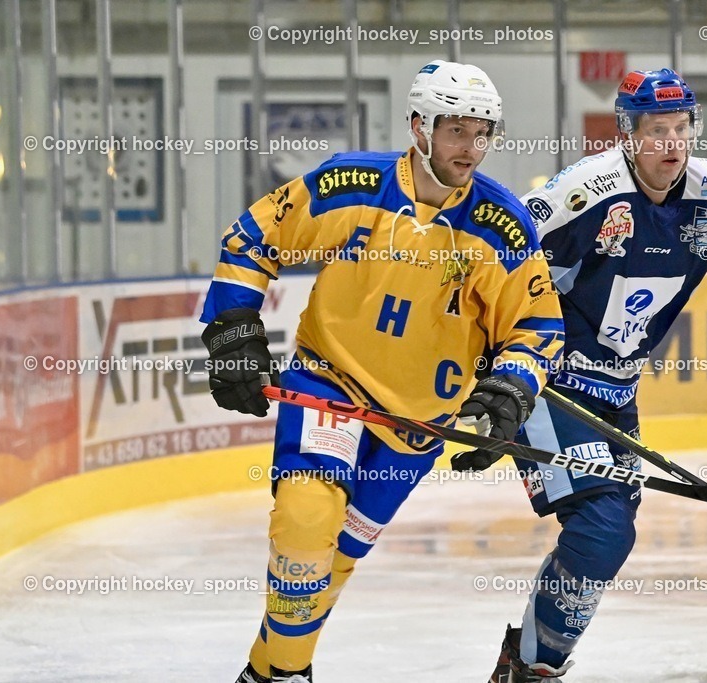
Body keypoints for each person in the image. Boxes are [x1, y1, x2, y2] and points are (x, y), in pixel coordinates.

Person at [452, 69, 707, 682]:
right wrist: (490, 386)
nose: (671, 144)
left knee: (609, 534)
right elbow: (496, 272)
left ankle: (530, 666)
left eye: (680, 129)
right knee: (602, 526)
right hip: (544, 382)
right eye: (656, 131)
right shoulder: (584, 195)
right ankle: (532, 670)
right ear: (627, 134)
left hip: (616, 397)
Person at [198, 60, 564, 683]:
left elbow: (536, 329)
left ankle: (267, 672)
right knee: (306, 522)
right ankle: (287, 677)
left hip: (420, 420)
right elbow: (252, 237)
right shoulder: (351, 183)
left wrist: (508, 391)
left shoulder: (501, 225)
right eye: (456, 131)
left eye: (483, 134)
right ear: (418, 126)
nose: (471, 149)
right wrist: (233, 325)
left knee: (334, 560)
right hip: (329, 380)